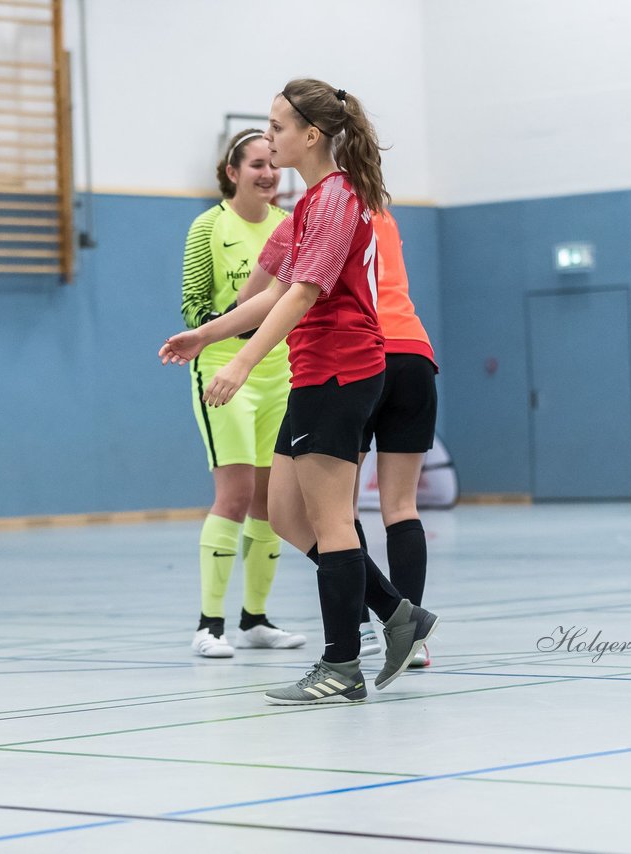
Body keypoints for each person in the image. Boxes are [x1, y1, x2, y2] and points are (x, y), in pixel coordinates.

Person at [161, 79, 439, 704]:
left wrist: (241, 363)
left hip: (341, 369)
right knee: (284, 513)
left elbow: (304, 293)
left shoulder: (339, 198)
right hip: (312, 374)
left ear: (311, 135)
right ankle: (400, 614)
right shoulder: (308, 206)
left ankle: (342, 664)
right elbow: (261, 294)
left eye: (279, 126)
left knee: (331, 518)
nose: (272, 136)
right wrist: (205, 336)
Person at [180, 128, 305, 658]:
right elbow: (191, 306)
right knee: (232, 495)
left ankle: (255, 620)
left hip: (280, 373)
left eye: (272, 164)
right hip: (223, 368)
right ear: (232, 173)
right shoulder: (209, 226)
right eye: (255, 164)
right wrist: (237, 323)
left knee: (271, 504)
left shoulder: (290, 226)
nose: (268, 173)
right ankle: (210, 625)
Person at [354, 210, 440, 668]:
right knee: (402, 508)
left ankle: (363, 627)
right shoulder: (384, 215)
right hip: (415, 355)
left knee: (337, 511)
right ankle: (411, 640)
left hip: (362, 354)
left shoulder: (329, 207)